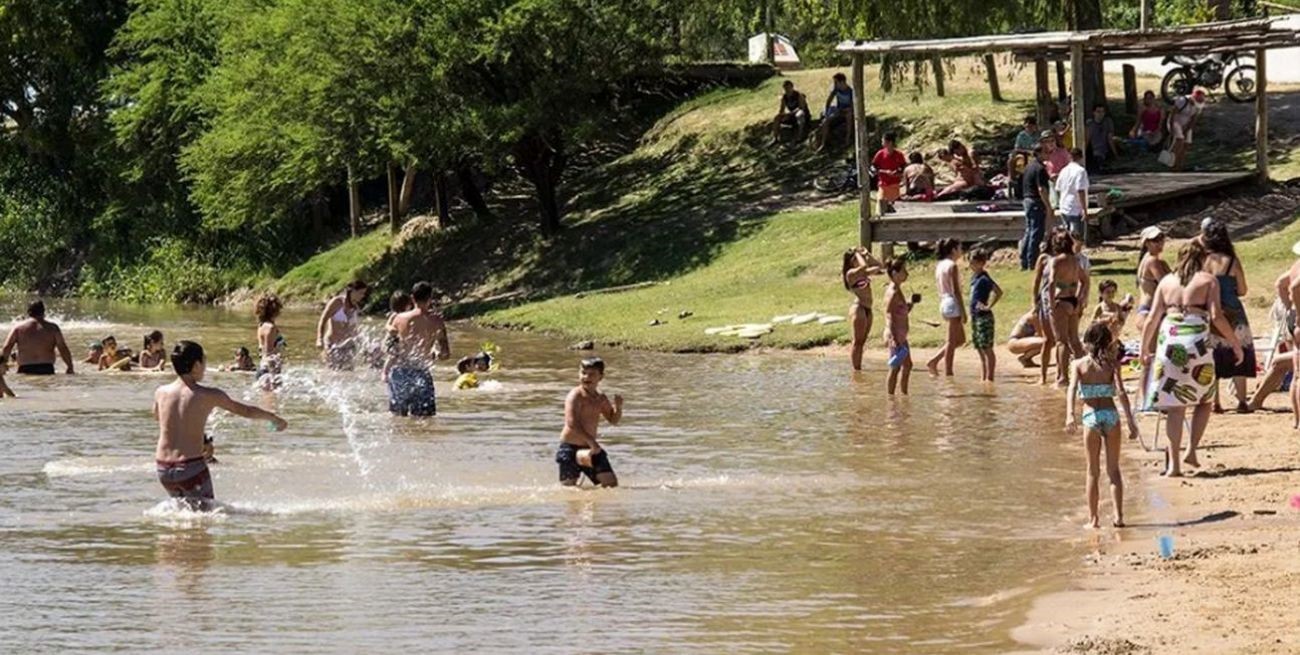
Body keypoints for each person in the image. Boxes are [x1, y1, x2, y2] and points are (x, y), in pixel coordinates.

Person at [1141, 240, 1242, 476]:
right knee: (1204, 400)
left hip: (1170, 342)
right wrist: (1235, 343)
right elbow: (1217, 316)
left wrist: (1144, 348)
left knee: (1176, 408)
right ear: (1202, 259)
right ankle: (1192, 449)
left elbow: (1152, 317)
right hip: (1196, 343)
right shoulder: (1208, 281)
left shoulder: (1166, 282)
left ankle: (1174, 466)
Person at [152, 341, 287, 510]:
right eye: (204, 361)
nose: (205, 366)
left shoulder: (161, 392)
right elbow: (245, 411)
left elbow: (159, 417)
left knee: (183, 514)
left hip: (163, 469)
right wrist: (273, 418)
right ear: (195, 365)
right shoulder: (208, 395)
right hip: (190, 469)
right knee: (206, 518)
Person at [1065, 322, 1140, 529]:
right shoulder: (1113, 364)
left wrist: (1070, 415)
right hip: (1111, 415)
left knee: (1092, 471)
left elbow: (1071, 389)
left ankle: (1094, 519)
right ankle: (1118, 517)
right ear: (1108, 342)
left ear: (1087, 342)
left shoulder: (1079, 365)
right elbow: (1122, 393)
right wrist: (1131, 422)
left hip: (1090, 416)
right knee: (1114, 470)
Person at [1201, 219, 1256, 413]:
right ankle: (1241, 401)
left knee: (1214, 354)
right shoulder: (1232, 260)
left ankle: (1215, 401)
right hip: (1234, 311)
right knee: (1240, 350)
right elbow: (1242, 290)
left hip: (1212, 311)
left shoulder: (1204, 261)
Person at [385, 281, 450, 417]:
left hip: (399, 372)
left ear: (412, 298)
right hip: (421, 373)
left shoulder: (399, 318)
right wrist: (435, 354)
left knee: (397, 419)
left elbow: (389, 349)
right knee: (425, 420)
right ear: (430, 299)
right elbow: (445, 354)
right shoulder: (437, 321)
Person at [556, 357, 623, 488]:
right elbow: (572, 423)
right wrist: (592, 442)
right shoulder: (575, 395)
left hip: (590, 449)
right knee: (569, 491)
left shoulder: (601, 398)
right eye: (583, 373)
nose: (586, 377)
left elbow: (613, 420)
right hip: (570, 447)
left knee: (611, 485)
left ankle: (594, 507)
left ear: (601, 377)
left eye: (592, 374)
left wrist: (618, 408)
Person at [1048, 229, 1089, 387]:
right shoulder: (1075, 260)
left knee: (1061, 342)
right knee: (1075, 340)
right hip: (1073, 301)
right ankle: (1083, 375)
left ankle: (1063, 378)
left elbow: (1052, 282)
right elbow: (1084, 281)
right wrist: (1079, 298)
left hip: (1061, 300)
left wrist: (1051, 303)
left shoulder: (1057, 261)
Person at [0, 300, 74, 375]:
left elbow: (7, 347)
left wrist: (2, 364)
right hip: (47, 368)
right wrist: (70, 366)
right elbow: (62, 348)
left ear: (28, 312)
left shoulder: (18, 328)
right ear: (43, 312)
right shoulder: (53, 328)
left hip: (25, 368)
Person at [926, 238, 966, 377]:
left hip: (943, 301)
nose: (961, 251)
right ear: (953, 250)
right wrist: (963, 311)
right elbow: (956, 291)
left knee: (960, 340)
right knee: (951, 340)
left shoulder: (940, 265)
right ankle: (948, 371)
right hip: (952, 302)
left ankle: (935, 361)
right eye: (959, 248)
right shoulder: (952, 266)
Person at [842, 246, 883, 371]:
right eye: (854, 259)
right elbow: (864, 267)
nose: (857, 261)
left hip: (868, 309)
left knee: (863, 341)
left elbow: (879, 266)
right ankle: (856, 370)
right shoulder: (851, 274)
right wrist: (857, 254)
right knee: (858, 342)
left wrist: (867, 254)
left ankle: (858, 368)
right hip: (859, 308)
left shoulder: (862, 273)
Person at [1020, 132, 1057, 271]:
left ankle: (1024, 260)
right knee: (1036, 232)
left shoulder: (1029, 166)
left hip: (1027, 200)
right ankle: (1032, 261)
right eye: (1046, 152)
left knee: (1029, 231)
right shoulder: (1040, 168)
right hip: (1036, 201)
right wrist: (1048, 205)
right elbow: (1041, 189)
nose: (1049, 154)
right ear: (1039, 153)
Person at [316, 280, 369, 370]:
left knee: (348, 374)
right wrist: (319, 339)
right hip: (332, 345)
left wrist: (363, 344)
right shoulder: (337, 302)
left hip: (348, 347)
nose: (363, 296)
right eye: (361, 293)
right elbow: (323, 320)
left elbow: (354, 329)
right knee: (332, 373)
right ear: (352, 291)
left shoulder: (355, 308)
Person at [968, 247, 1002, 382]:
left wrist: (989, 306)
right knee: (979, 347)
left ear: (981, 263)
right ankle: (984, 376)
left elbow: (998, 292)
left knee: (987, 347)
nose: (970, 266)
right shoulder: (974, 278)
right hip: (975, 316)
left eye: (973, 263)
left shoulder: (984, 278)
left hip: (984, 317)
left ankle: (990, 377)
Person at [883, 258, 916, 395]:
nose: (906, 274)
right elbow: (889, 314)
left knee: (907, 365)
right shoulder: (893, 292)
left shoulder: (896, 289)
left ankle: (903, 394)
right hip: (896, 335)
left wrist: (911, 304)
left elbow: (899, 311)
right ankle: (891, 398)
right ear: (895, 273)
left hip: (900, 335)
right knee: (895, 368)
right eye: (903, 271)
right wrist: (894, 337)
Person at [1134, 226, 1171, 335]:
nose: (1160, 243)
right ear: (1146, 243)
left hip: (1148, 311)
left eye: (1161, 238)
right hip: (1150, 312)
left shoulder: (1148, 259)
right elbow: (1167, 284)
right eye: (1155, 240)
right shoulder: (1152, 261)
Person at [814, 73, 855, 152]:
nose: (835, 84)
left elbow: (852, 106)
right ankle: (823, 144)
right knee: (826, 121)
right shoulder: (836, 90)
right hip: (839, 110)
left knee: (849, 116)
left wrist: (847, 110)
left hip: (848, 111)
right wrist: (827, 111)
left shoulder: (850, 91)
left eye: (836, 82)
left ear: (842, 82)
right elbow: (828, 101)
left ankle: (847, 139)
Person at [1054, 148, 1089, 241]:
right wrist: (1084, 209)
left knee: (1067, 234)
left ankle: (1069, 252)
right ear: (1081, 157)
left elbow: (1057, 188)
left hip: (1064, 205)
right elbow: (1080, 190)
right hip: (1075, 207)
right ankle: (1075, 253)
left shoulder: (1063, 170)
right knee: (1076, 236)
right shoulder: (1080, 171)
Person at [1168, 89, 1205, 171]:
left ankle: (1179, 165)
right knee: (1179, 140)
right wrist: (1171, 129)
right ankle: (1171, 163)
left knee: (1186, 144)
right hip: (1176, 122)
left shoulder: (1198, 107)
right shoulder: (1182, 101)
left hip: (1186, 124)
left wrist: (1187, 130)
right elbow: (1172, 115)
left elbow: (1193, 119)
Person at [871, 132, 907, 212]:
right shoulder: (880, 154)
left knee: (896, 207)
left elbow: (903, 167)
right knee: (881, 204)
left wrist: (896, 172)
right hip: (883, 184)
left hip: (895, 184)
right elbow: (874, 167)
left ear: (890, 142)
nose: (882, 143)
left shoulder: (899, 154)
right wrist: (884, 171)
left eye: (883, 141)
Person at [255, 294, 286, 384]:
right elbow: (269, 354)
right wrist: (274, 375)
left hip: (264, 370)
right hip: (268, 373)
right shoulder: (270, 327)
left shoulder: (261, 326)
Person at [771, 79, 810, 144]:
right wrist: (782, 116)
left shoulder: (798, 95)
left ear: (792, 87)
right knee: (777, 117)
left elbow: (801, 108)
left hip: (802, 115)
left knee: (799, 114)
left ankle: (800, 136)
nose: (787, 90)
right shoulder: (784, 97)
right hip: (792, 115)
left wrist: (790, 114)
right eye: (785, 88)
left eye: (788, 88)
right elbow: (782, 109)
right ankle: (775, 138)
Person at [1084, 103, 1116, 174]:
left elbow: (1110, 138)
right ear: (1094, 113)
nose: (1100, 114)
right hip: (1095, 152)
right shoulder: (1090, 125)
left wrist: (1115, 154)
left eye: (1102, 112)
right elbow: (1087, 140)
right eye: (1098, 112)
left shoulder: (1108, 122)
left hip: (1106, 149)